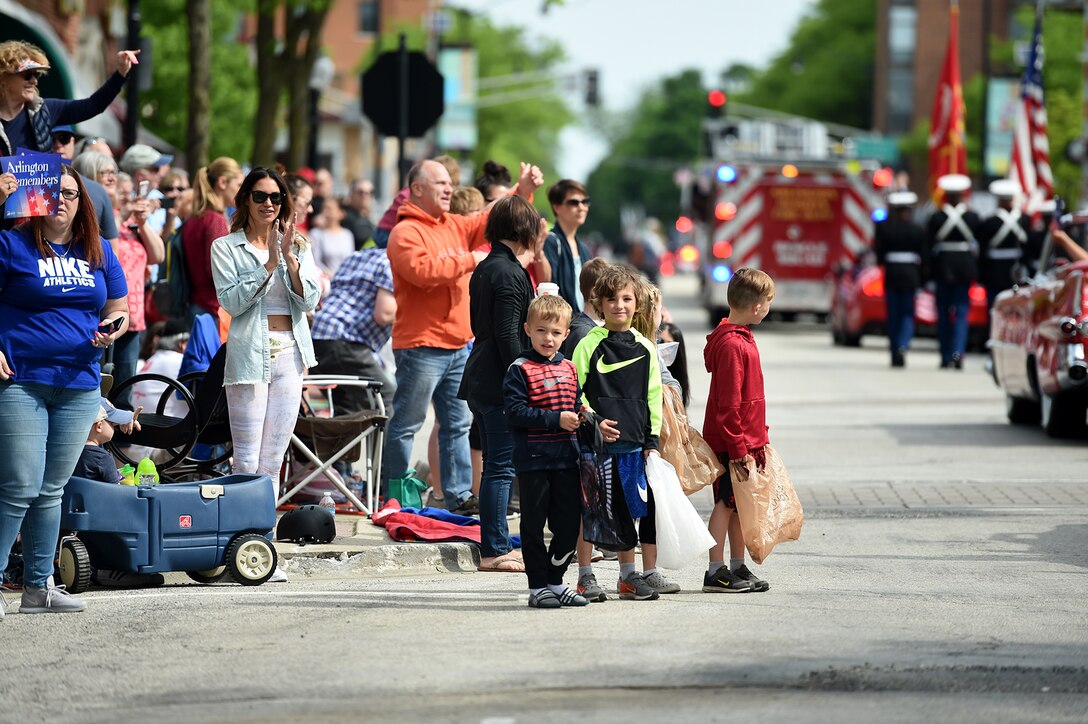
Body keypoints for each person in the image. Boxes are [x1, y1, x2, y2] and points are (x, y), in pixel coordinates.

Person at [0, 165, 129, 617]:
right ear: (35, 198)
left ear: (83, 201)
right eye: (52, 191)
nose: (61, 199)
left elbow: (118, 307)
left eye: (71, 193)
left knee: (51, 489)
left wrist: (115, 326)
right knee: (18, 485)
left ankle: (39, 587)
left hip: (79, 385)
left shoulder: (99, 251)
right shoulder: (12, 244)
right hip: (23, 380)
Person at [383, 159, 542, 518]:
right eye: (439, 182)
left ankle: (456, 496)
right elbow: (423, 272)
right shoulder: (404, 233)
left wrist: (521, 189)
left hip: (457, 345)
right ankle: (393, 496)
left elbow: (490, 216)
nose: (448, 188)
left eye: (449, 183)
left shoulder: (454, 224)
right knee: (407, 425)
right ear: (417, 189)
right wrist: (470, 258)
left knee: (455, 425)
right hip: (420, 345)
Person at [211, 167, 321, 585]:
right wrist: (267, 265)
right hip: (249, 355)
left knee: (273, 461)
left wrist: (290, 259)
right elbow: (232, 303)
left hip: (291, 355)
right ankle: (238, 548)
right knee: (246, 459)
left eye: (275, 198)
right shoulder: (226, 246)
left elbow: (309, 297)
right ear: (245, 200)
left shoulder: (300, 245)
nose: (268, 204)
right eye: (260, 196)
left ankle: (262, 550)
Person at [460, 196, 544, 572]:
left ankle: (495, 544)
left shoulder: (488, 267)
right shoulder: (509, 274)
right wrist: (529, 377)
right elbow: (510, 337)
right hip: (498, 381)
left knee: (496, 464)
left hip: (482, 375)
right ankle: (494, 550)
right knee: (500, 467)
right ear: (524, 230)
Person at [571, 264, 663, 601]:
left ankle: (628, 577)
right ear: (599, 303)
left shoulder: (645, 348)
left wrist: (651, 442)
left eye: (626, 299)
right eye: (611, 299)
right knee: (590, 512)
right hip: (594, 446)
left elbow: (653, 397)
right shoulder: (588, 343)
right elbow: (574, 390)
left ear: (637, 304)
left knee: (628, 513)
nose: (619, 305)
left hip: (632, 447)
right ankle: (585, 576)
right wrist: (593, 421)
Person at [503, 294, 589, 608]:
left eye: (555, 332)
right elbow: (514, 412)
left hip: (567, 459)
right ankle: (538, 587)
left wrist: (588, 419)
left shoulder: (569, 368)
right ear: (528, 329)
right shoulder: (519, 368)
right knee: (533, 525)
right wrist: (555, 420)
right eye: (541, 331)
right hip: (533, 461)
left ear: (566, 333)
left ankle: (556, 579)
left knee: (568, 526)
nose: (548, 338)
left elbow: (576, 405)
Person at [701, 267, 776, 595]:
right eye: (769, 302)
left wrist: (760, 435)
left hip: (747, 438)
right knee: (725, 503)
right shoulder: (732, 344)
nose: (769, 308)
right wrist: (739, 448)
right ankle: (714, 569)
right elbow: (729, 405)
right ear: (757, 306)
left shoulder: (740, 334)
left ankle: (736, 564)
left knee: (738, 505)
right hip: (734, 441)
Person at [72, 399, 164, 588]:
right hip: (104, 518)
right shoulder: (102, 457)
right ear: (99, 426)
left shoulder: (72, 453)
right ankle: (110, 569)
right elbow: (113, 489)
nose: (115, 428)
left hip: (80, 515)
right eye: (112, 424)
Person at [628, 279, 682, 595]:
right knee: (641, 506)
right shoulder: (644, 347)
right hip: (641, 437)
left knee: (649, 506)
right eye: (660, 309)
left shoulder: (652, 345)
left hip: (648, 438)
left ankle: (648, 571)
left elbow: (671, 384)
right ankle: (638, 571)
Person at [0, 41, 138, 157]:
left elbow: (94, 105)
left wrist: (120, 74)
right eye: (27, 75)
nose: (34, 81)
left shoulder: (45, 110)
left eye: (36, 75)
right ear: (4, 77)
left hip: (38, 190)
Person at [310, 244, 397, 416]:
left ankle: (336, 443)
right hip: (344, 341)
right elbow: (385, 314)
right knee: (385, 398)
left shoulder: (357, 256)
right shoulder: (392, 262)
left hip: (317, 336)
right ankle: (384, 444)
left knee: (349, 408)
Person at [110, 169, 165, 408]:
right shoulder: (106, 221)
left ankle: (120, 439)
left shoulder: (133, 224)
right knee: (103, 381)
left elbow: (158, 256)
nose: (127, 198)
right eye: (121, 194)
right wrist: (121, 215)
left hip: (133, 315)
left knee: (125, 385)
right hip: (108, 313)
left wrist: (142, 224)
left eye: (128, 193)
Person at [926, 174, 981, 370]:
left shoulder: (936, 217)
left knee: (943, 313)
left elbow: (929, 247)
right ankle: (958, 352)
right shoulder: (972, 217)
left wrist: (928, 274)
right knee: (961, 313)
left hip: (943, 268)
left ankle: (945, 354)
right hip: (964, 268)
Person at [183, 157, 243, 319]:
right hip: (211, 308)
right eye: (238, 185)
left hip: (197, 303)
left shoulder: (196, 217)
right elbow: (217, 270)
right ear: (223, 183)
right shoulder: (215, 220)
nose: (242, 191)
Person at [874, 191, 926, 368]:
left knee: (893, 315)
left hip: (892, 274)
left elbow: (879, 255)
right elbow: (923, 255)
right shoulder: (917, 229)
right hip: (910, 275)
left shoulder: (884, 228)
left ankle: (895, 348)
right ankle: (903, 344)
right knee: (907, 314)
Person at [374, 154, 462, 248]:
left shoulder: (433, 196)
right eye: (441, 183)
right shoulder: (412, 195)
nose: (449, 189)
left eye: (451, 184)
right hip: (386, 233)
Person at [51, 126, 119, 247]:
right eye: (50, 139)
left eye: (64, 138)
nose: (58, 145)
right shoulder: (34, 183)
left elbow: (113, 251)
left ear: (73, 142)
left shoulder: (99, 192)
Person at [978, 180, 1030, 309]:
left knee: (995, 306)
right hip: (1016, 269)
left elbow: (983, 249)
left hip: (994, 271)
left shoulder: (989, 222)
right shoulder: (1024, 220)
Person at [541, 179, 592, 310]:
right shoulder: (550, 242)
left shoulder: (584, 249)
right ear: (556, 207)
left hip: (584, 324)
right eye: (573, 202)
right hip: (562, 323)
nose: (581, 207)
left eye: (585, 202)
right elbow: (547, 284)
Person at [309, 196, 354, 276]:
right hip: (326, 281)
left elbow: (350, 261)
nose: (326, 212)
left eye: (330, 209)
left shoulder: (347, 234)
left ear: (340, 213)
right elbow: (316, 262)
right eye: (324, 208)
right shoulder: (315, 234)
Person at [342, 178, 376, 249]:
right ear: (352, 194)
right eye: (360, 192)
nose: (364, 196)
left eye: (368, 193)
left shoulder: (371, 216)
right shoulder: (343, 215)